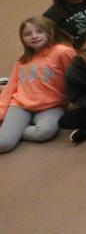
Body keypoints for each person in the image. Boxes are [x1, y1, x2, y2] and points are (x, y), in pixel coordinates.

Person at [0, 17, 75, 152]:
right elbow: (12, 86)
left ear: (50, 32)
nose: (34, 37)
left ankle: (14, 130)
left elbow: (76, 77)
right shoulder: (23, 58)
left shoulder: (63, 51)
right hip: (20, 105)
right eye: (27, 34)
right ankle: (11, 131)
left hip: (51, 106)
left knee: (44, 132)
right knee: (3, 144)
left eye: (39, 32)